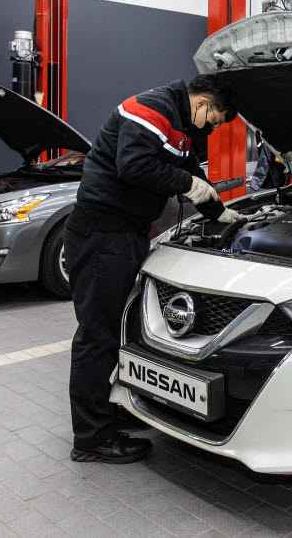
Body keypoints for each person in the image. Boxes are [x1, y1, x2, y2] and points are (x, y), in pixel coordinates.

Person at [64, 75, 244, 464]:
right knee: (97, 333)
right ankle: (92, 438)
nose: (212, 127)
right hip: (101, 232)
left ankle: (102, 411)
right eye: (214, 119)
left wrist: (218, 210)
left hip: (123, 233)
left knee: (113, 327)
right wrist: (188, 184)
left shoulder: (179, 122)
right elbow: (133, 166)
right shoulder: (153, 109)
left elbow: (190, 168)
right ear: (202, 102)